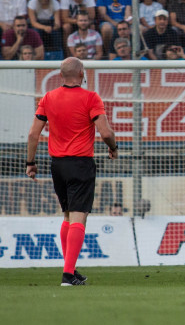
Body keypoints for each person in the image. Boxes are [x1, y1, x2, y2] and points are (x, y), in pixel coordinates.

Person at [26, 57, 118, 286]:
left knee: (67, 215)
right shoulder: (90, 97)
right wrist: (113, 148)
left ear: (61, 75)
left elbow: (32, 135)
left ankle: (71, 268)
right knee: (79, 216)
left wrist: (30, 162)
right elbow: (105, 132)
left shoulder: (48, 98)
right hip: (80, 163)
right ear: (81, 74)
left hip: (57, 165)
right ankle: (68, 275)